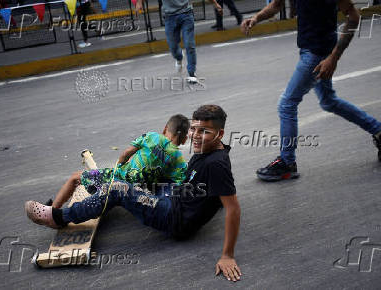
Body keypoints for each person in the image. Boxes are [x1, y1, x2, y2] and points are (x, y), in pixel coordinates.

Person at [25, 105, 242, 282]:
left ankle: (58, 217)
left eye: (204, 131)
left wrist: (227, 256)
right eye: (194, 129)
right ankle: (114, 196)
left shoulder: (216, 164)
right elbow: (209, 188)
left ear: (220, 133)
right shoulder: (210, 150)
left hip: (174, 218)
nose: (196, 136)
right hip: (175, 196)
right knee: (148, 178)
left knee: (118, 188)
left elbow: (233, 207)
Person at [241, 0, 381, 182]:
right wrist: (255, 18)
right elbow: (277, 5)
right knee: (328, 101)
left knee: (287, 104)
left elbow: (354, 17)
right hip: (309, 50)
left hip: (318, 55)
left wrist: (333, 58)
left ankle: (287, 162)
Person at [47, 114, 190, 209]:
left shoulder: (151, 136)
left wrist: (120, 165)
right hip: (137, 193)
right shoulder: (178, 158)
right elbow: (179, 180)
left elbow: (126, 153)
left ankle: (53, 210)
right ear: (184, 139)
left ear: (165, 128)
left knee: (75, 178)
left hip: (120, 178)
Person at [135, 0, 223, 83]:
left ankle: (192, 73)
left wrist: (215, 4)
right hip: (170, 17)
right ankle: (179, 57)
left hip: (187, 14)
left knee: (189, 44)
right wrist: (139, 3)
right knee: (173, 46)